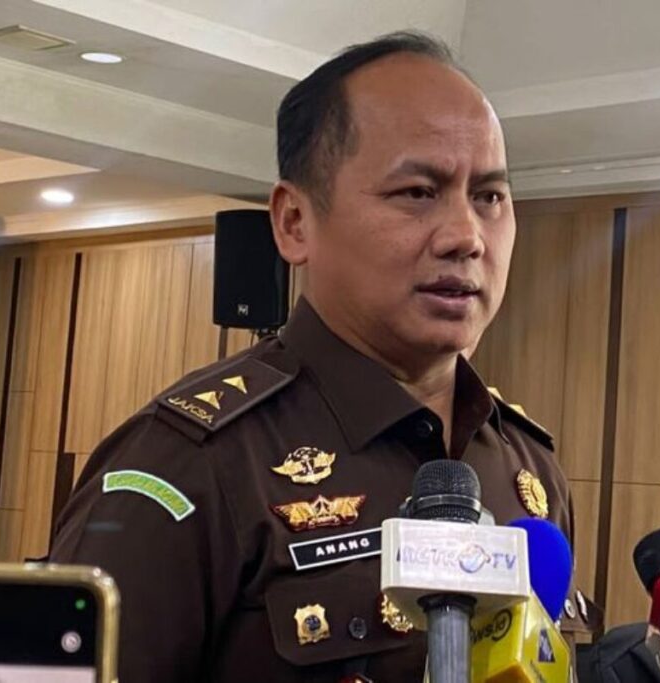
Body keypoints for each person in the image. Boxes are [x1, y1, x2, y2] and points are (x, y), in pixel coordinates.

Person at [51, 31, 590, 682]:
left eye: (489, 197)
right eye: (418, 192)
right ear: (294, 222)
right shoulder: (190, 466)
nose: (466, 236)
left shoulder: (527, 465)